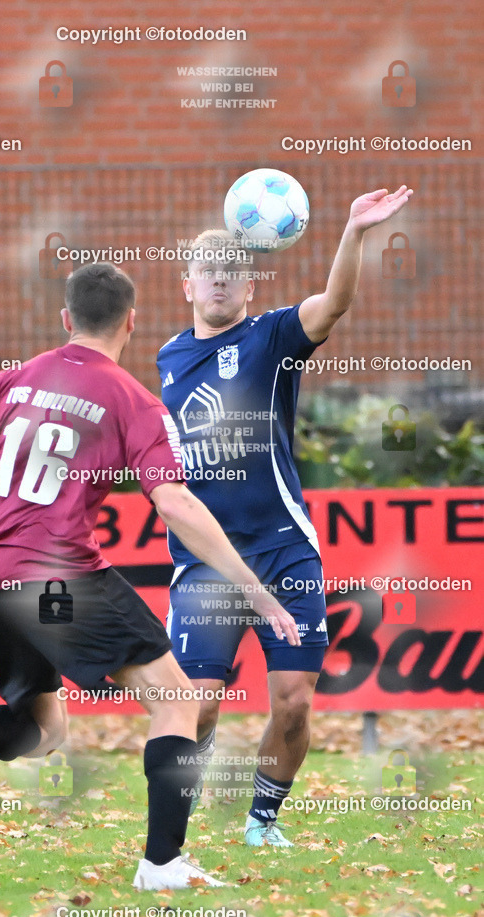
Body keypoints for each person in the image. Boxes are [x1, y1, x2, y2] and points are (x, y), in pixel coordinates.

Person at [0, 262, 300, 889]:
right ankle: (162, 864)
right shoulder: (133, 400)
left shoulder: (13, 380)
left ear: (66, 320)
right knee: (178, 698)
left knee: (40, 732)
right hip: (59, 573)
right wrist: (254, 589)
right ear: (131, 321)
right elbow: (174, 502)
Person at [157, 186, 413, 846]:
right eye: (208, 272)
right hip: (205, 561)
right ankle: (183, 798)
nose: (220, 281)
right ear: (187, 285)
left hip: (281, 549)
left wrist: (352, 232)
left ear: (249, 285)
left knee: (295, 700)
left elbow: (333, 305)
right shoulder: (167, 358)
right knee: (201, 703)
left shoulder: (272, 336)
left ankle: (262, 817)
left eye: (233, 272)